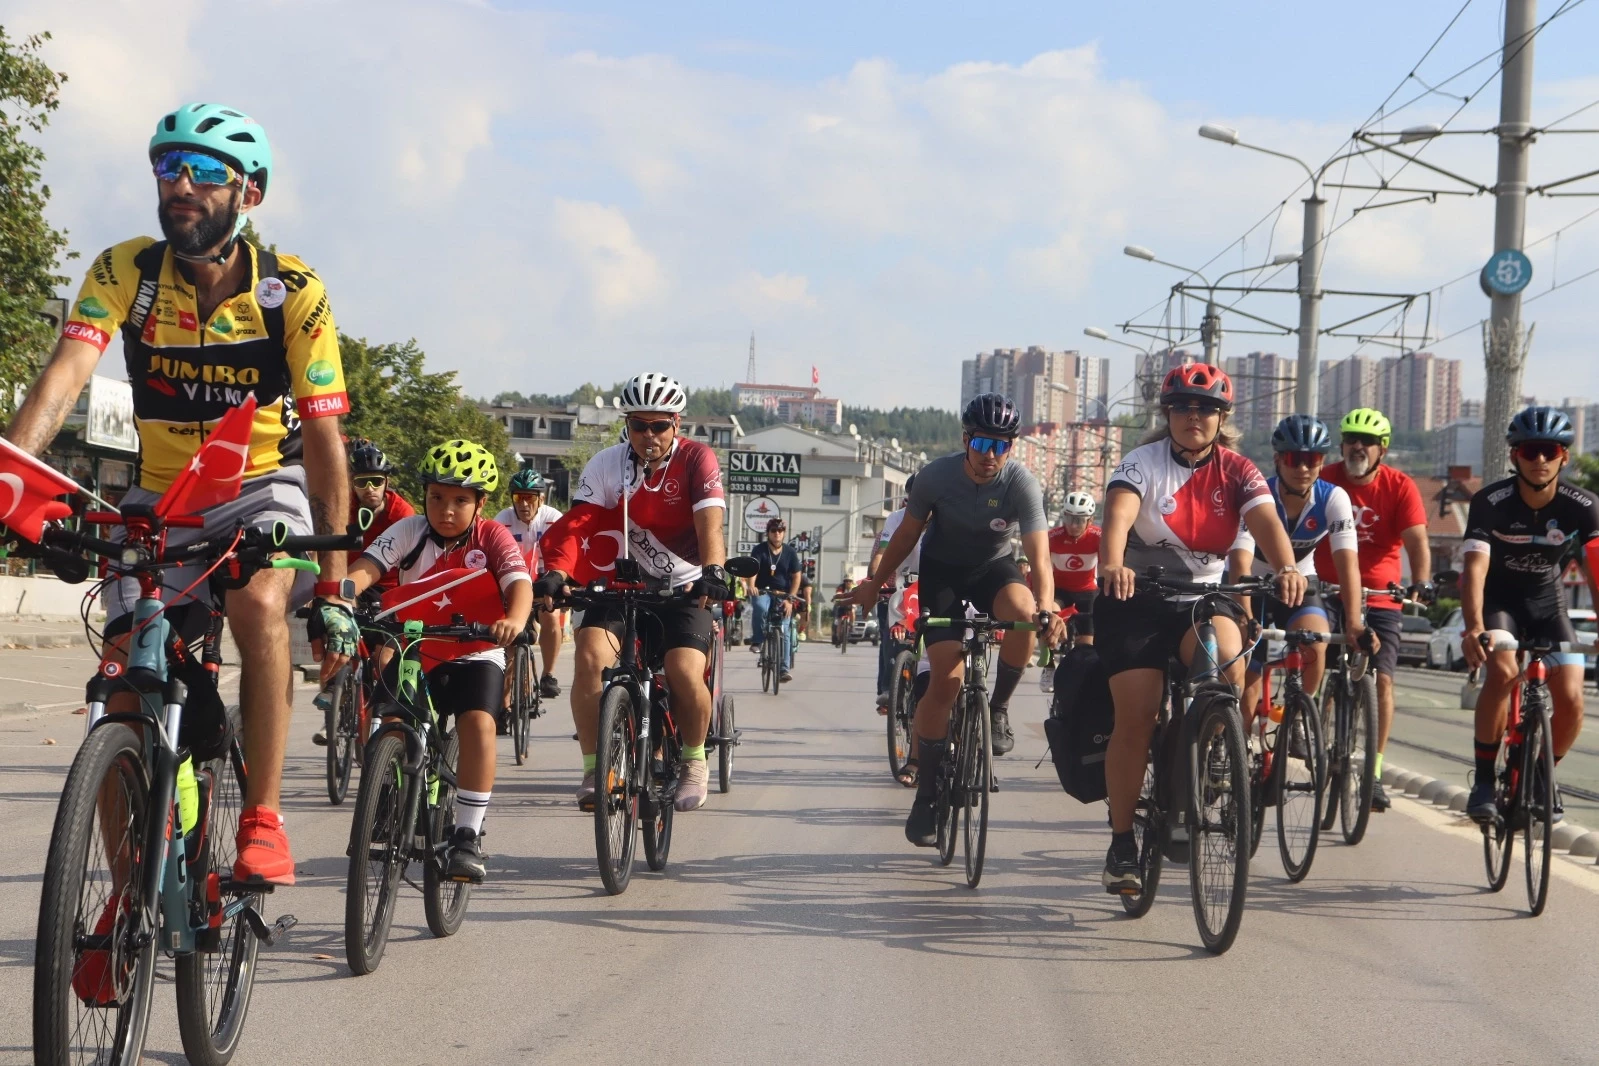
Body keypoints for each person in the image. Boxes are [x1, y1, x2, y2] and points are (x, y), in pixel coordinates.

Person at [5, 103, 356, 885]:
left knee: (259, 604)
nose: (182, 187)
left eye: (205, 174)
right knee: (121, 692)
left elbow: (327, 441)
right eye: (170, 170)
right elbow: (64, 379)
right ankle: (121, 909)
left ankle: (263, 818)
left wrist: (333, 586)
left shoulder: (291, 291)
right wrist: (13, 479)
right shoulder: (125, 269)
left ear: (249, 195)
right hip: (160, 498)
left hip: (263, 490)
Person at [1096, 364, 1304, 894]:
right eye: (1185, 407)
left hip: (1204, 599)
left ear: (1222, 417)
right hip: (1138, 597)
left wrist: (1285, 569)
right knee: (1137, 715)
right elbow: (1118, 516)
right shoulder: (1142, 462)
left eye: (1207, 408)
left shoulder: (1239, 470)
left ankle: (1209, 751)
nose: (1195, 416)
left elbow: (1267, 524)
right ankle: (1122, 842)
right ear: (1167, 414)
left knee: (1226, 674)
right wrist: (1113, 563)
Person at [851, 392, 1064, 847]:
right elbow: (907, 536)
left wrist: (1046, 605)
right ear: (966, 440)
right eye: (983, 445)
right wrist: (874, 584)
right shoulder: (935, 477)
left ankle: (999, 707)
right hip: (944, 574)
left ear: (1011, 448)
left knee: (1024, 614)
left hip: (995, 569)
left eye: (1001, 447)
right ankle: (927, 795)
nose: (991, 457)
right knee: (945, 681)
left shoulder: (1021, 483)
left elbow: (1039, 555)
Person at [535, 372, 728, 814]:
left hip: (683, 585)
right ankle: (592, 767)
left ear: (676, 424)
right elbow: (578, 523)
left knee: (682, 670)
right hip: (618, 584)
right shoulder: (607, 463)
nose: (649, 435)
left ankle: (694, 760)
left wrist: (713, 570)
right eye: (639, 425)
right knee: (588, 658)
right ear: (628, 426)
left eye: (659, 425)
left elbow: (709, 524)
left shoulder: (698, 459)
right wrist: (556, 571)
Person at [349, 441, 530, 881]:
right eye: (436, 498)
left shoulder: (492, 536)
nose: (446, 510)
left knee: (478, 724)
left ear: (480, 503)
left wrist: (514, 619)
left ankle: (467, 835)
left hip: (475, 649)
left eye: (460, 501)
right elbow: (368, 567)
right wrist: (342, 595)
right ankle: (386, 794)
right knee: (390, 719)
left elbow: (519, 583)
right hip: (420, 646)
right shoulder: (409, 530)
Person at [1462, 407, 1599, 824]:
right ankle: (1484, 780)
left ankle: (1541, 775)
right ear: (1515, 456)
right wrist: (1474, 628)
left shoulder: (1584, 504)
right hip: (1499, 601)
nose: (1539, 459)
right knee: (1502, 674)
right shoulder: (1490, 502)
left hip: (1547, 601)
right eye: (1529, 450)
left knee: (1573, 697)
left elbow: (1595, 568)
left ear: (1564, 457)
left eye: (1549, 450)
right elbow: (1475, 568)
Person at [1312, 407, 1430, 814]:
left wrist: (1423, 581)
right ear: (1341, 444)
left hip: (1381, 594)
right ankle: (1309, 722)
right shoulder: (1324, 478)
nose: (1357, 447)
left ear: (1383, 449)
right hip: (1325, 590)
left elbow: (1416, 540)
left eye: (1367, 441)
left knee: (1381, 680)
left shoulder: (1400, 486)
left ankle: (1374, 773)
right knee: (1315, 657)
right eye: (1350, 439)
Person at [1229, 415, 1366, 725]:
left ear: (1322, 462)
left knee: (1315, 643)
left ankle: (1299, 720)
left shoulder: (1334, 497)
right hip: (1252, 582)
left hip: (1302, 582)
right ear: (1278, 459)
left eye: (1312, 459)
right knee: (1247, 675)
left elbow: (1348, 564)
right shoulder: (1257, 493)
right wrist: (1246, 617)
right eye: (1294, 458)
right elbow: (1239, 560)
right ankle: (1237, 750)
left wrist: (1355, 622)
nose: (1303, 468)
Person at [312, 439, 414, 746]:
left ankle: (382, 715)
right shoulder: (345, 508)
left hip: (395, 588)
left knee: (383, 660)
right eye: (361, 482)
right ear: (351, 484)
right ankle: (334, 698)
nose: (369, 488)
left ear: (386, 483)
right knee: (333, 629)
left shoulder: (402, 513)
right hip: (354, 583)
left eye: (376, 481)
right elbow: (326, 550)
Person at [495, 468, 566, 698]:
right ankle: (506, 703)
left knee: (551, 617)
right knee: (512, 638)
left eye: (530, 498)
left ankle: (548, 675)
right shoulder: (502, 520)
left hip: (545, 577)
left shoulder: (554, 519)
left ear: (541, 499)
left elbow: (563, 557)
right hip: (516, 578)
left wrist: (558, 584)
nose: (524, 504)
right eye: (518, 497)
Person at [870, 473, 921, 709]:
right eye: (912, 500)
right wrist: (875, 580)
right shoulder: (896, 519)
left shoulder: (945, 519)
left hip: (933, 585)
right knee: (891, 636)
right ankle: (889, 690)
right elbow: (881, 554)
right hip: (901, 586)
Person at [746, 517, 802, 683]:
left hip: (783, 594)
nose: (777, 533)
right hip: (763, 591)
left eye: (780, 531)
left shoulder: (790, 553)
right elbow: (753, 569)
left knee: (784, 629)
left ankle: (783, 669)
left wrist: (790, 599)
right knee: (760, 608)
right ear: (768, 533)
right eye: (773, 531)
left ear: (784, 533)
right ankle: (757, 641)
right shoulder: (759, 550)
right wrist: (751, 586)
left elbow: (796, 577)